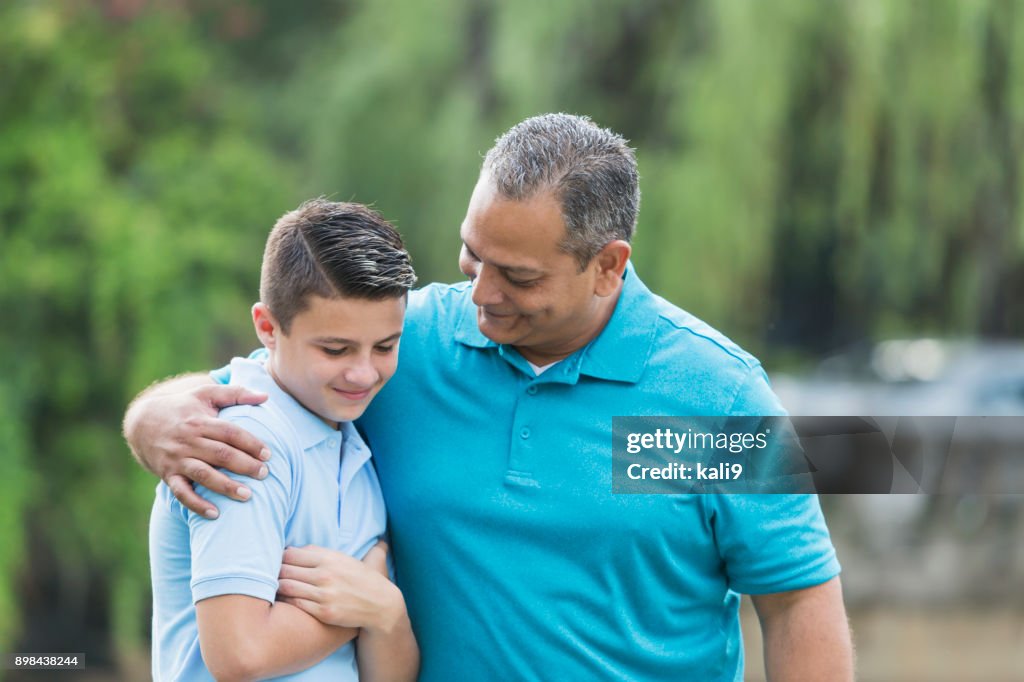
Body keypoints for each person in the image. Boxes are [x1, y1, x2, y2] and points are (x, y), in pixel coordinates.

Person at [126, 114, 854, 680]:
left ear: (607, 267)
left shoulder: (717, 398)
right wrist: (155, 418)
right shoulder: (405, 347)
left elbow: (795, 600)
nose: (479, 293)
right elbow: (275, 375)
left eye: (518, 276)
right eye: (472, 255)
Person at [146, 199, 419, 681]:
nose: (363, 373)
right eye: (335, 349)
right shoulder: (243, 440)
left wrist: (386, 611)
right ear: (268, 328)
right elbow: (240, 655)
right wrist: (365, 605)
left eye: (385, 346)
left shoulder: (351, 440)